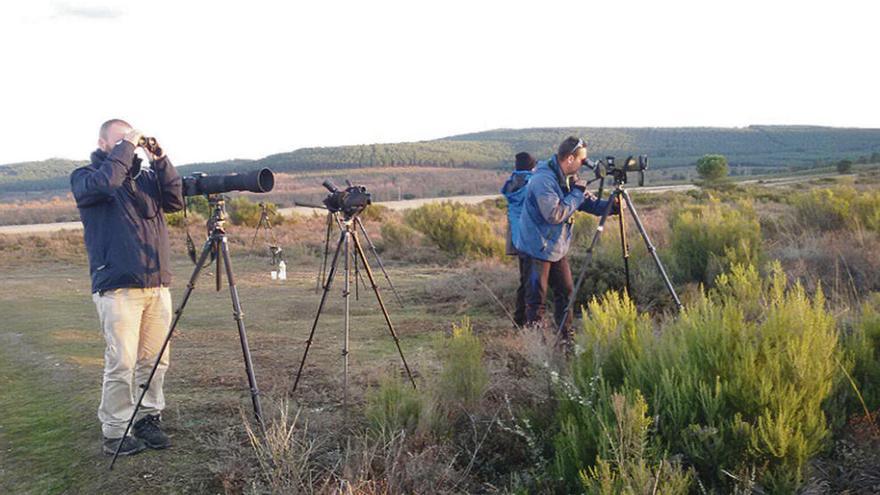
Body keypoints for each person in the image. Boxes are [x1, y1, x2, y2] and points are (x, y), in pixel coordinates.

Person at [70, 119, 184, 456]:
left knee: (156, 360)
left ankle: (148, 418)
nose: (130, 145)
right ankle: (116, 430)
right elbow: (106, 184)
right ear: (103, 143)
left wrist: (160, 159)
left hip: (156, 284)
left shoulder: (146, 179)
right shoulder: (85, 178)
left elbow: (176, 200)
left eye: (131, 139)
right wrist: (126, 146)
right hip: (117, 287)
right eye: (120, 140)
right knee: (121, 361)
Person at [515, 136, 618, 346]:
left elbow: (585, 202)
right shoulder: (543, 180)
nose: (584, 164)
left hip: (556, 247)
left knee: (566, 293)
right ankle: (538, 348)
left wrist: (611, 206)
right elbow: (554, 213)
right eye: (582, 160)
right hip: (536, 248)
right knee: (537, 302)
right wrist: (577, 194)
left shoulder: (568, 177)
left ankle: (566, 341)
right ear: (570, 158)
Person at [501, 151, 536, 326]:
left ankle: (519, 320)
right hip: (531, 238)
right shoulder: (532, 182)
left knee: (525, 280)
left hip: (517, 239)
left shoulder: (512, 182)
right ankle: (528, 322)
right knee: (532, 283)